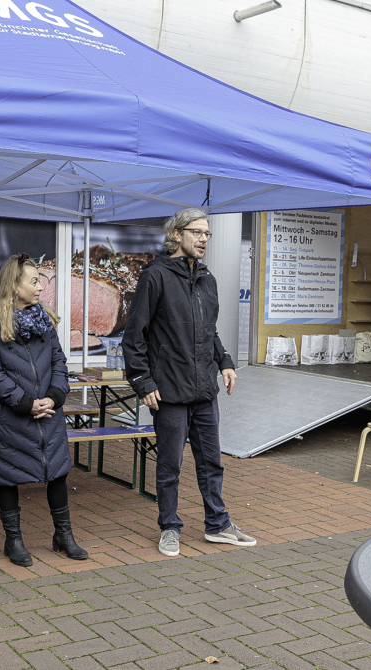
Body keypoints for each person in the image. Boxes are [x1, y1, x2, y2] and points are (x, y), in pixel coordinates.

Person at [123, 207, 255, 557]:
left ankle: (218, 524)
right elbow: (134, 336)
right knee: (170, 465)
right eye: (196, 232)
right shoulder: (155, 276)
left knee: (211, 461)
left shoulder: (206, 279)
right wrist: (143, 381)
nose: (203, 239)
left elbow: (208, 331)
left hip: (203, 389)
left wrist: (225, 362)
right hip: (168, 390)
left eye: (207, 234)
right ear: (177, 234)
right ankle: (169, 526)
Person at [0, 253, 87, 567]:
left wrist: (55, 396)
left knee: (58, 473)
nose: (40, 287)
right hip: (11, 416)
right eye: (34, 281)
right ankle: (13, 540)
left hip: (49, 413)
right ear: (14, 285)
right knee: (8, 476)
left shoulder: (44, 321)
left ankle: (63, 535)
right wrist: (26, 403)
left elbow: (59, 364)